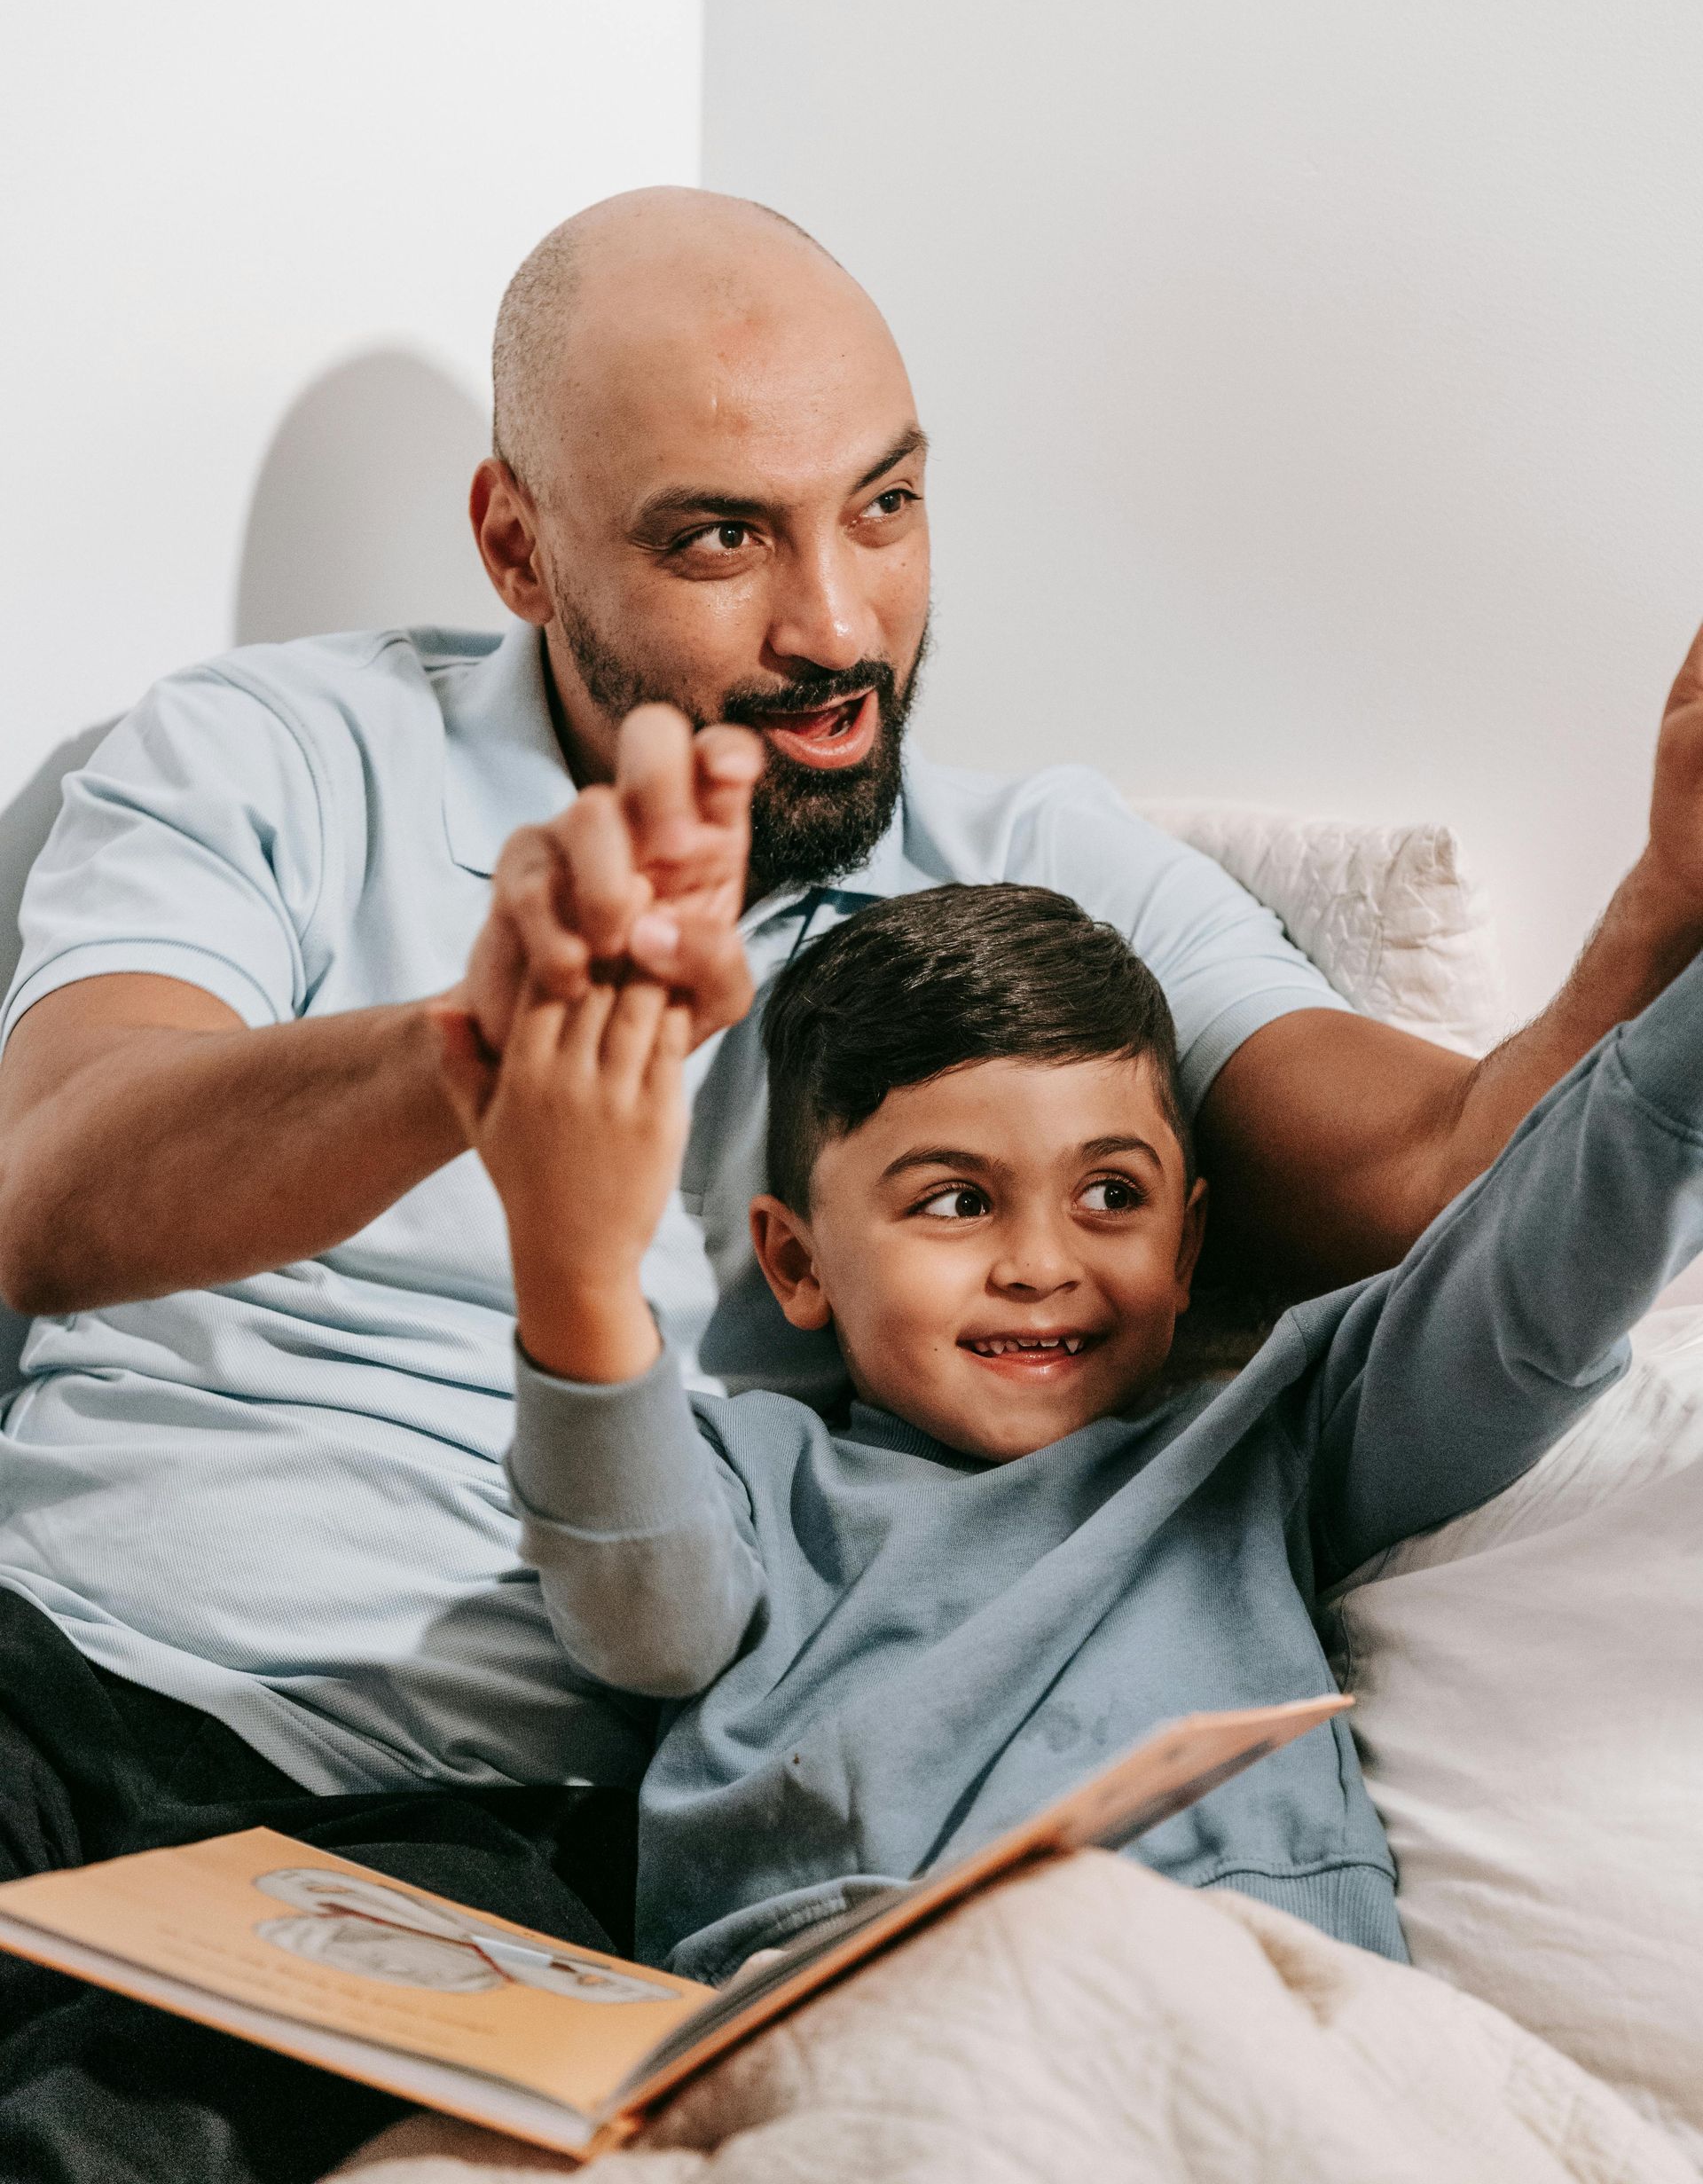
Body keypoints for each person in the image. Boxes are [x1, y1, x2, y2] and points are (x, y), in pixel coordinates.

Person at [0, 184, 1700, 2174]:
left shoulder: (1038, 883)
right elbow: (54, 1181)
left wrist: (1663, 910)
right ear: (516, 545)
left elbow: (1447, 1180)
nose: (833, 626)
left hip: (479, 1837)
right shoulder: (273, 750)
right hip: (58, 1674)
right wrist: (474, 1044)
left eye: (882, 509)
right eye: (722, 537)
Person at [456, 876, 1702, 1983]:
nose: (1042, 1264)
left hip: (1242, 1993)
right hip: (842, 2012)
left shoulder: (1270, 1438)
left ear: (1188, 1246)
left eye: (1112, 1196)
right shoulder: (747, 1475)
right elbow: (643, 1612)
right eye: (956, 1202)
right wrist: (579, 1280)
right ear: (796, 1262)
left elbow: (1529, 1289)